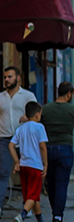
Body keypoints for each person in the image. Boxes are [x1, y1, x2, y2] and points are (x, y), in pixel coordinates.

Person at [40, 82, 74, 222]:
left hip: (48, 150)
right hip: (65, 151)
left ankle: (55, 211)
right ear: (69, 94)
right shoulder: (73, 110)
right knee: (61, 185)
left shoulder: (45, 109)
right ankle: (57, 217)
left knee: (51, 184)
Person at [0, 65, 39, 212]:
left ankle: (27, 207)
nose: (6, 80)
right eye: (5, 77)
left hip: (23, 139)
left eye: (9, 77)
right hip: (4, 139)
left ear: (18, 78)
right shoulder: (1, 97)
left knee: (27, 172)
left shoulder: (27, 96)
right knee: (3, 172)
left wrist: (28, 118)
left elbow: (37, 115)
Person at [9, 101, 49, 222]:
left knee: (31, 196)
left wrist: (17, 161)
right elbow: (42, 146)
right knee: (33, 195)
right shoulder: (39, 127)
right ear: (38, 115)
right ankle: (22, 216)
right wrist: (45, 163)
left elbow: (11, 145)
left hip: (24, 166)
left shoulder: (21, 129)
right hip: (35, 165)